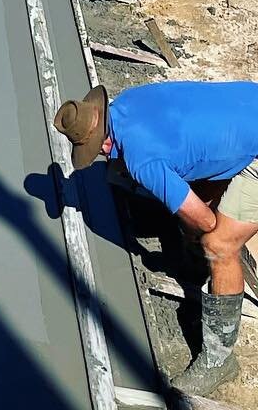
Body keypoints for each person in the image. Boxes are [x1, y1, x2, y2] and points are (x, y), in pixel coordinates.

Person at [55, 80, 258, 394]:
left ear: (102, 146)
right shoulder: (129, 101)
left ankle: (220, 361)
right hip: (247, 105)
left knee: (218, 244)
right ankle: (200, 266)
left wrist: (189, 226)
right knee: (197, 193)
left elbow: (204, 221)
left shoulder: (142, 159)